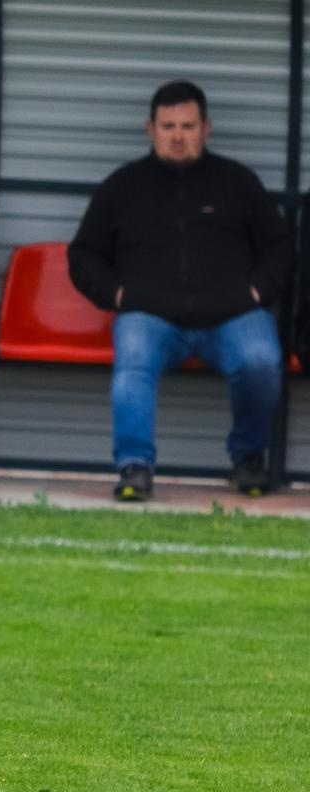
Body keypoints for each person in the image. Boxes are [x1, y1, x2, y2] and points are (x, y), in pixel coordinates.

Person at [67, 80, 290, 501]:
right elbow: (83, 256)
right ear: (149, 128)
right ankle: (135, 467)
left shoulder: (238, 182)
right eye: (168, 126)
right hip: (150, 316)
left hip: (235, 315)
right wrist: (117, 296)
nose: (178, 135)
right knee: (132, 359)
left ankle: (248, 459)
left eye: (188, 125)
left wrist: (258, 293)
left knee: (261, 359)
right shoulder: (122, 186)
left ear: (207, 128)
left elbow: (278, 247)